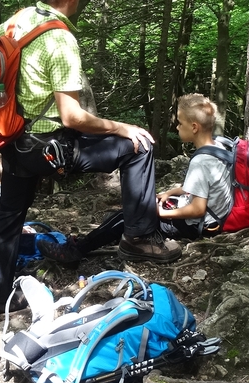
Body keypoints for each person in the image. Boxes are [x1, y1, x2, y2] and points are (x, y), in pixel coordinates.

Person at [0, 0, 182, 322]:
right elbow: (72, 117)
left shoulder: (16, 22)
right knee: (140, 146)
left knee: (9, 215)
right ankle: (139, 238)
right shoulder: (60, 40)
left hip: (14, 140)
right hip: (51, 148)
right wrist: (122, 127)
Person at [39, 94, 233, 263]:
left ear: (194, 127)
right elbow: (204, 188)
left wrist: (160, 213)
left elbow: (197, 209)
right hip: (212, 219)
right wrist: (170, 193)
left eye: (180, 123)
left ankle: (76, 251)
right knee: (136, 211)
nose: (177, 126)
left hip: (196, 225)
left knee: (128, 216)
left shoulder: (201, 162)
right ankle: (110, 234)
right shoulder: (218, 147)